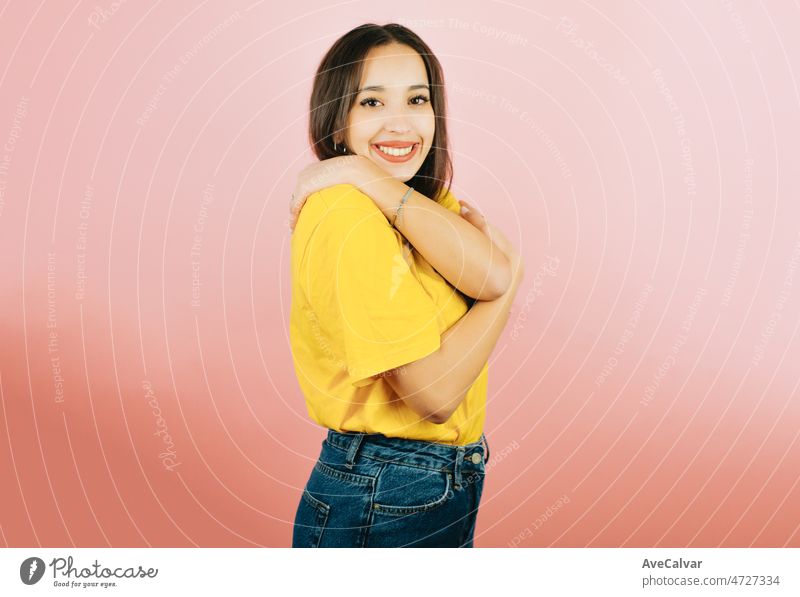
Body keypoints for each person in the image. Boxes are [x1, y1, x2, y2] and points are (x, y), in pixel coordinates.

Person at [288, 23, 524, 548]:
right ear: (337, 120)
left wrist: (371, 178)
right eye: (371, 103)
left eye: (417, 99)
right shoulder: (344, 214)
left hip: (432, 483)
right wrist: (508, 288)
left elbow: (490, 272)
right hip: (384, 487)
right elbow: (432, 394)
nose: (401, 123)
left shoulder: (409, 202)